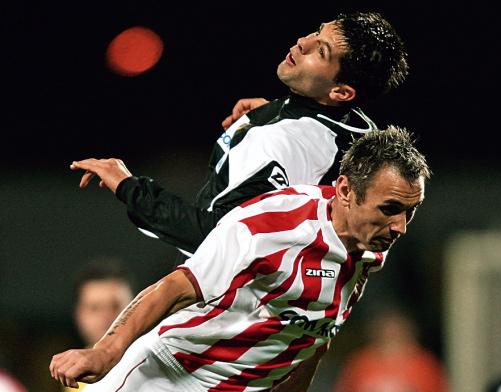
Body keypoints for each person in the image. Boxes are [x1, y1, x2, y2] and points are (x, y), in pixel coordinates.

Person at [50, 126, 430, 392]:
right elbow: (176, 288)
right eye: (390, 209)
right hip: (167, 379)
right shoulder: (273, 225)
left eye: (409, 212)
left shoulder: (370, 245)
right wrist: (105, 352)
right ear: (345, 190)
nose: (400, 226)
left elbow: (315, 335)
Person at [69, 11, 409, 257]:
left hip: (231, 318)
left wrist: (129, 186)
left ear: (341, 92)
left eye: (321, 52)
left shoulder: (277, 142)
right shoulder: (359, 130)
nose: (302, 42)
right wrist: (275, 112)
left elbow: (215, 241)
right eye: (316, 33)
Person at [330, 306, 450, 392]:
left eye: (396, 330)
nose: (391, 335)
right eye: (387, 330)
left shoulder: (425, 365)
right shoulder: (360, 363)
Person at [64, 258, 135, 392]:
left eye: (115, 306)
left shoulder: (159, 359)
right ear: (79, 314)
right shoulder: (74, 374)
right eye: (95, 308)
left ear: (135, 307)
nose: (106, 317)